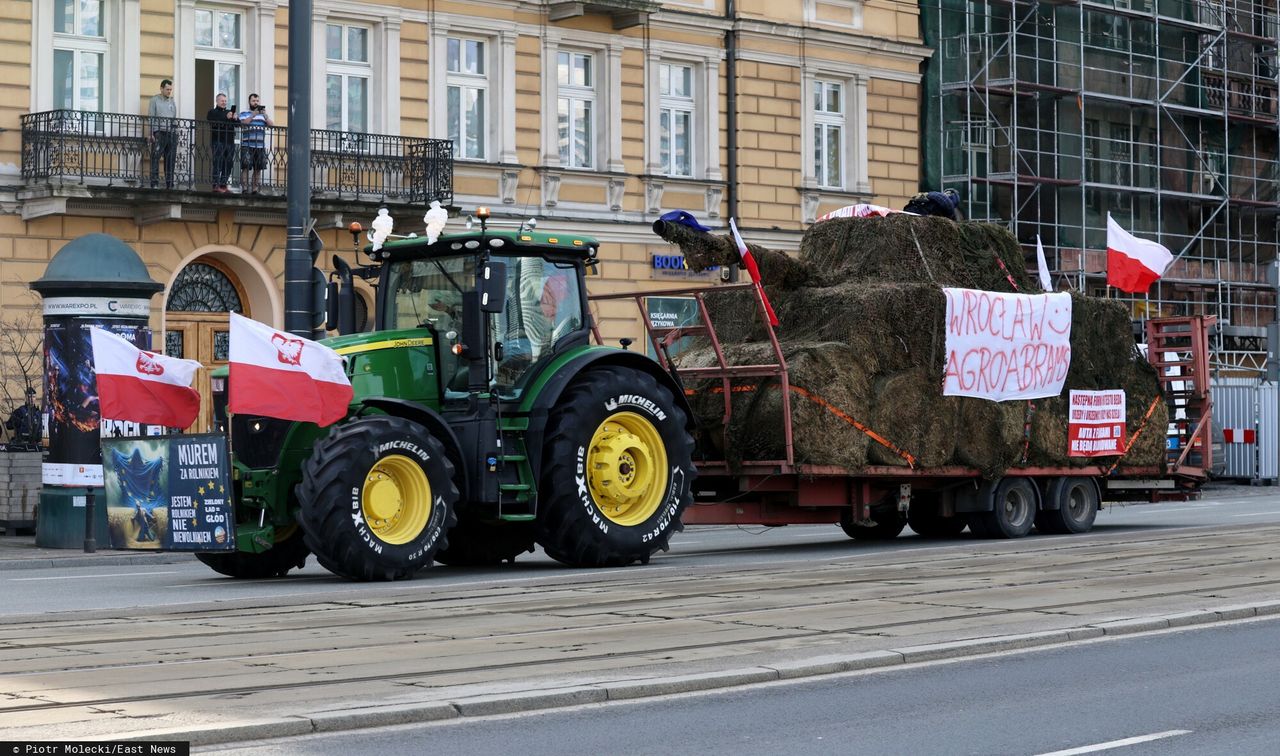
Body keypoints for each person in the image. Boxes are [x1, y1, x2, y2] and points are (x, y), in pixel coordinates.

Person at [238, 93, 273, 195]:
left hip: (260, 146)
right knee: (245, 167)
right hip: (247, 145)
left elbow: (272, 125)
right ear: (249, 102)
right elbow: (243, 123)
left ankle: (254, 189)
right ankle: (244, 189)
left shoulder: (263, 115)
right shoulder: (244, 113)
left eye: (257, 101)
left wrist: (266, 116)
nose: (256, 103)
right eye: (253, 101)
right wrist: (252, 115)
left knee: (258, 168)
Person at [147, 79, 178, 189]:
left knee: (170, 159)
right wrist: (150, 134)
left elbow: (174, 118)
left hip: (171, 133)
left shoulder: (172, 101)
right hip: (159, 132)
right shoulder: (155, 100)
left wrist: (175, 132)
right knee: (156, 157)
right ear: (161, 88)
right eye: (167, 89)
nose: (169, 91)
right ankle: (154, 183)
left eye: (170, 89)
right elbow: (151, 117)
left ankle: (169, 184)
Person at [206, 92, 238, 193]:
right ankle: (216, 185)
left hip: (229, 142)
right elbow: (212, 121)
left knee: (228, 164)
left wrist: (235, 118)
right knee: (218, 163)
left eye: (225, 101)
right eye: (222, 101)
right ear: (217, 101)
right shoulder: (212, 112)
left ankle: (223, 185)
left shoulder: (229, 112)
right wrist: (226, 117)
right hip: (217, 141)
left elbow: (238, 124)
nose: (224, 102)